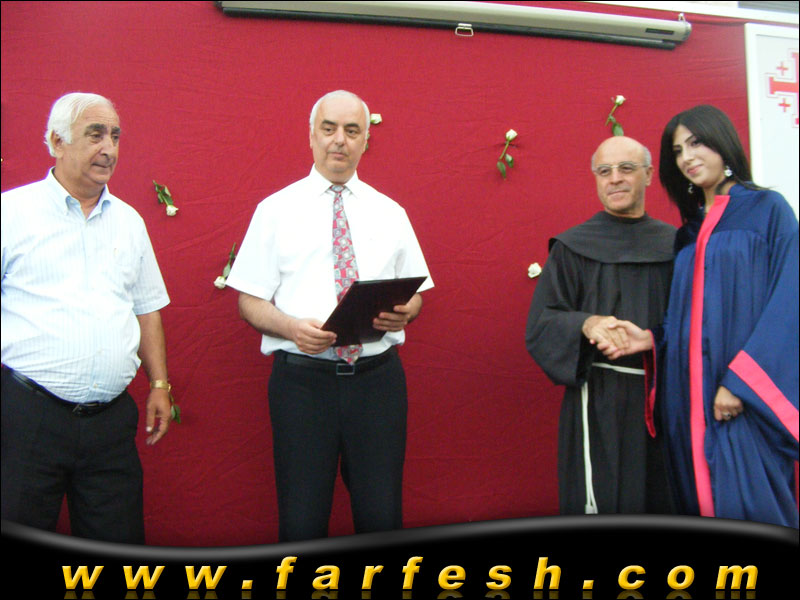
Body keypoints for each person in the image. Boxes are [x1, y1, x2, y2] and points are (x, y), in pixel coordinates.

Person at [226, 90, 433, 541]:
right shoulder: (275, 210)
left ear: (366, 141)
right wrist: (291, 328)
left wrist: (405, 313)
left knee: (382, 518)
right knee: (301, 521)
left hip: (378, 385)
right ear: (311, 135)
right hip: (303, 386)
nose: (340, 140)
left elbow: (417, 294)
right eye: (329, 128)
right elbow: (248, 301)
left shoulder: (390, 212)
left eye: (352, 130)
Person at [599, 105, 799, 528]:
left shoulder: (767, 210)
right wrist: (650, 339)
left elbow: (790, 302)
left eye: (696, 143)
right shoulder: (689, 234)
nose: (687, 157)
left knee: (752, 507)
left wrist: (741, 383)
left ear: (722, 143)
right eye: (677, 151)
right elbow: (687, 319)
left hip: (741, 401)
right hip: (687, 403)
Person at [1, 92, 172, 543]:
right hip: (27, 415)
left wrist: (159, 384)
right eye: (95, 135)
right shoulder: (10, 213)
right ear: (57, 142)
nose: (109, 148)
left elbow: (147, 308)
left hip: (110, 424)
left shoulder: (129, 222)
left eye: (115, 136)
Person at [525, 136, 676, 515]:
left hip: (666, 398)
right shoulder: (572, 247)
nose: (615, 178)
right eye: (605, 171)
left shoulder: (676, 246)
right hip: (598, 402)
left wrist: (653, 340)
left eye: (626, 169)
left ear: (648, 175)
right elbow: (542, 324)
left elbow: (700, 324)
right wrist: (586, 323)